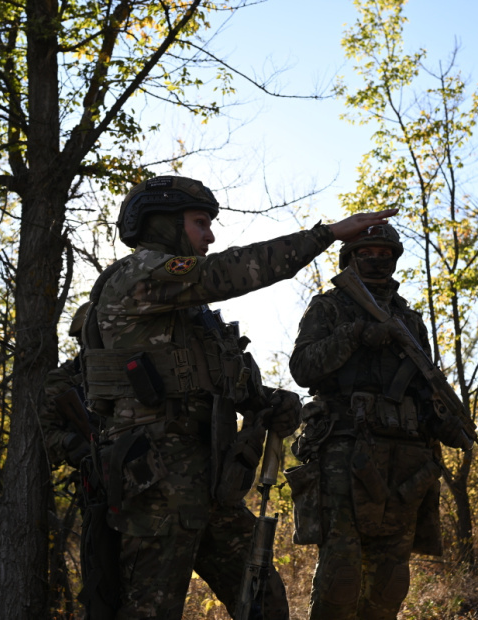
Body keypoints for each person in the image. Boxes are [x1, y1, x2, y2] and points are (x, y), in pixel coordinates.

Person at [80, 174, 397, 619]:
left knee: (263, 600)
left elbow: (214, 381)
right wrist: (325, 235)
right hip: (156, 480)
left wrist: (267, 402)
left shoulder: (187, 311)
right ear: (163, 222)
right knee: (151, 608)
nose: (210, 235)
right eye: (200, 222)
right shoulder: (141, 276)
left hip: (208, 479)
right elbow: (231, 271)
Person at [286, 223, 468, 620]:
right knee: (341, 577)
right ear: (350, 258)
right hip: (345, 452)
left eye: (386, 253)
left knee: (390, 581)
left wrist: (448, 424)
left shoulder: (410, 319)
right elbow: (303, 368)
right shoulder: (330, 307)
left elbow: (423, 388)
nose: (377, 260)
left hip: (405, 461)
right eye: (367, 251)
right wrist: (355, 335)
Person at [38, 302, 96, 469]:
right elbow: (45, 434)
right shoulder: (65, 379)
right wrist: (70, 442)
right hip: (97, 473)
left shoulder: (126, 365)